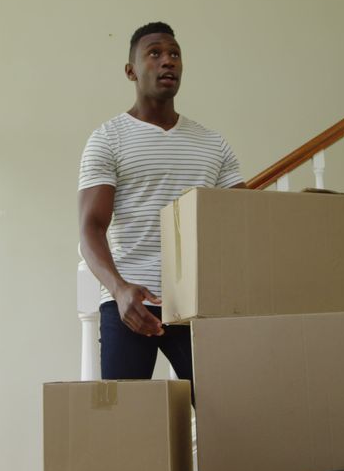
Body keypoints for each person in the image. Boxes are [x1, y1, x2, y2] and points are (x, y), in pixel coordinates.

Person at [78, 22, 246, 384]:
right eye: (154, 54)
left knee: (230, 415)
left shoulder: (213, 144)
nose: (167, 61)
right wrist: (120, 289)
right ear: (131, 70)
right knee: (127, 426)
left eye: (174, 54)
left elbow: (244, 220)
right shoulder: (107, 138)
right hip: (131, 305)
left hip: (198, 306)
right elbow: (90, 228)